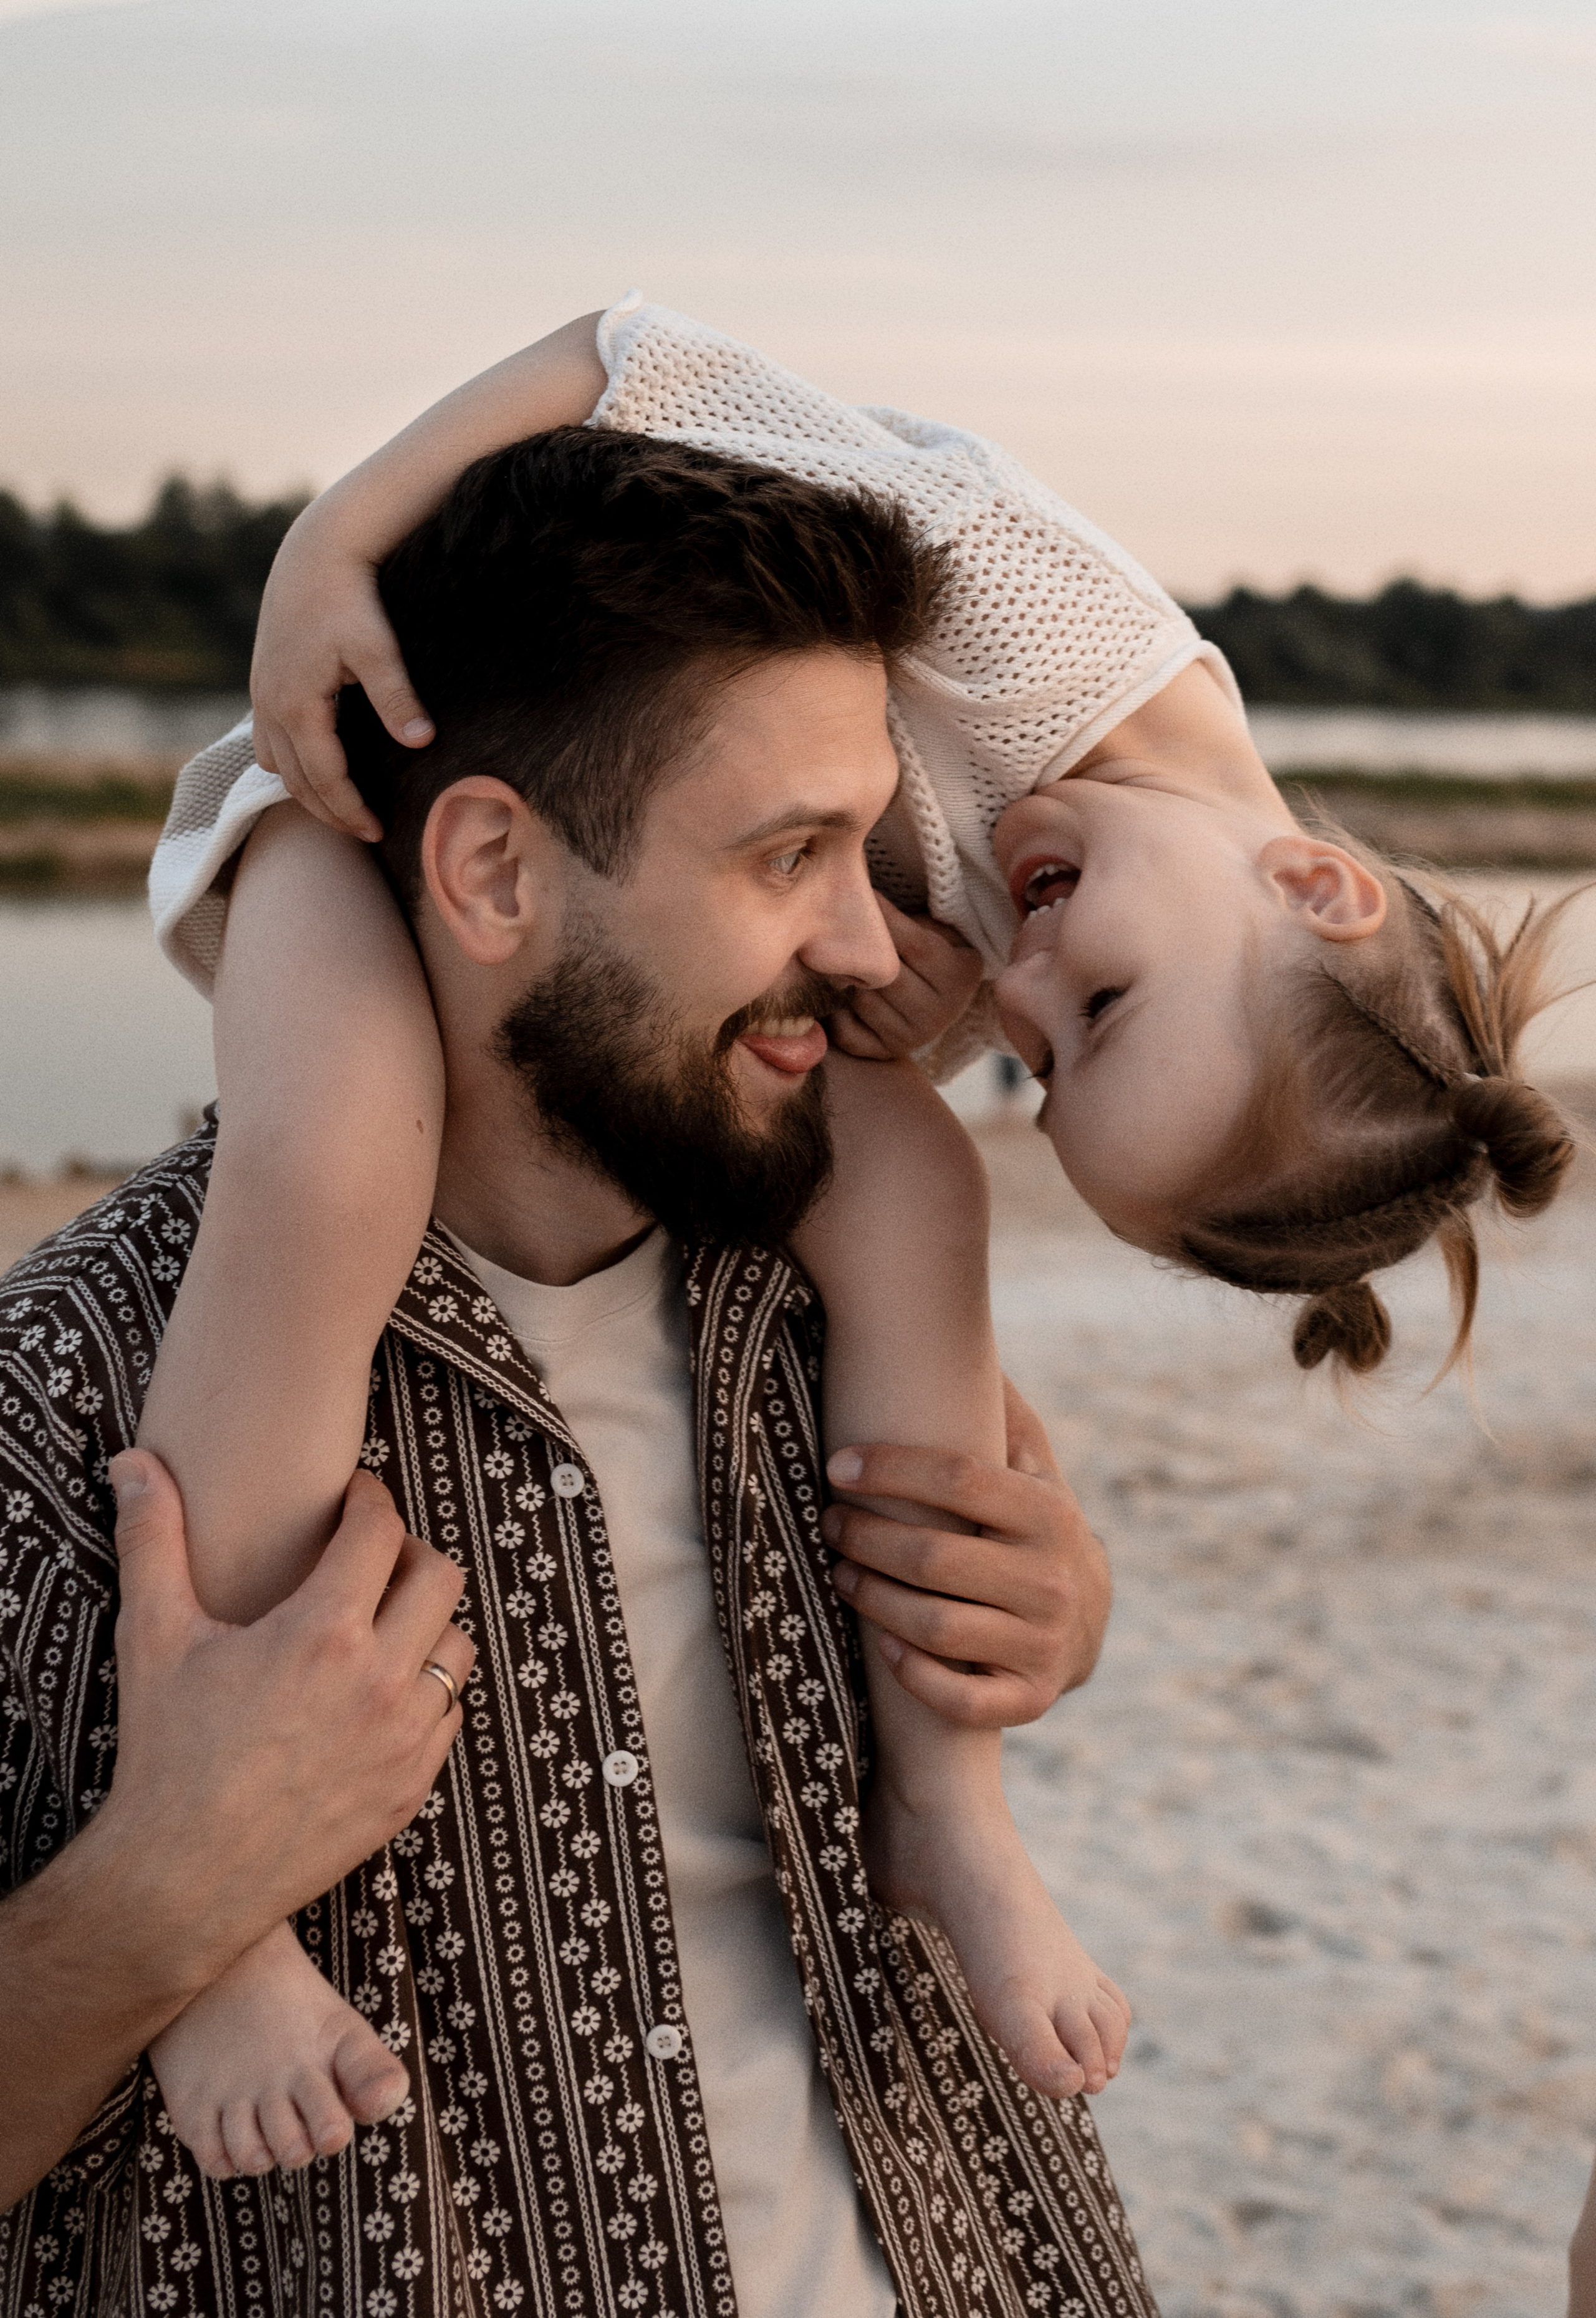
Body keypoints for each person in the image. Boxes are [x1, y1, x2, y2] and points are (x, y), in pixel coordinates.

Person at [148, 296, 1584, 2194]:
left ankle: (949, 1807)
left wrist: (924, 1008)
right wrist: (330, 544)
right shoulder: (1043, 615)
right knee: (331, 1164)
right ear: (1312, 884)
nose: (1027, 991)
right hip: (361, 774)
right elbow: (629, 349)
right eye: (1099, 1004)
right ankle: (213, 1923)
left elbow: (855, 932)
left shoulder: (1102, 877)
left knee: (919, 1192)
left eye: (1042, 1061)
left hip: (612, 887)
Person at [0, 429, 1153, 2318]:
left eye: (861, 850)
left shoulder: (831, 1298)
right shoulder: (59, 1401)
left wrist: (1036, 1627)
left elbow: (983, 1615)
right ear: (490, 870)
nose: (867, 945)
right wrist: (159, 1904)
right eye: (785, 857)